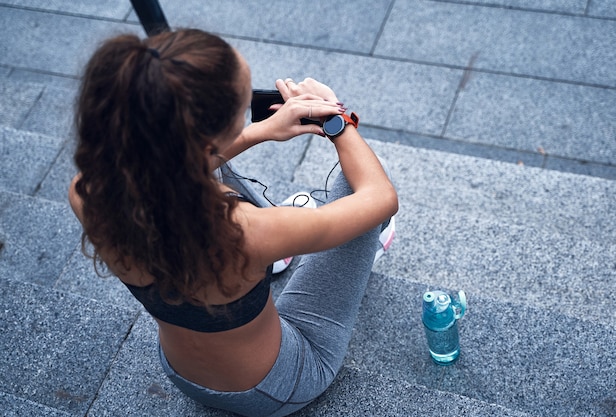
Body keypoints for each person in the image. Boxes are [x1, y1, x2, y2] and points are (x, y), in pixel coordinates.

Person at [69, 29, 398, 417]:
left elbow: (179, 163)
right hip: (281, 385)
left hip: (180, 370)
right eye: (242, 111)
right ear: (214, 135)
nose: (246, 118)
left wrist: (260, 131)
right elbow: (380, 196)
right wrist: (337, 117)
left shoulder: (89, 191)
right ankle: (282, 255)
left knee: (205, 170)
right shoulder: (247, 230)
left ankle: (270, 264)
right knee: (356, 192)